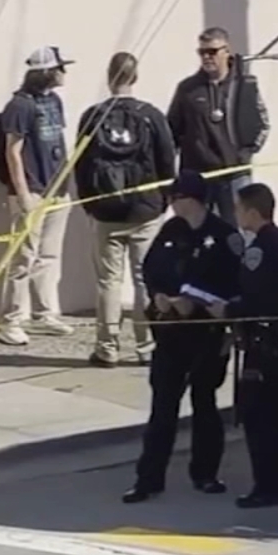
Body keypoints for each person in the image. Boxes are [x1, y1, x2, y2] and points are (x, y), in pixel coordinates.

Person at [122, 171, 243, 503]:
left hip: (206, 332)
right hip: (171, 332)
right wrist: (161, 294)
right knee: (163, 407)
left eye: (176, 198)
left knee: (204, 403)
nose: (172, 204)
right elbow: (152, 269)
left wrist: (199, 301)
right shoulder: (171, 231)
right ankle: (148, 479)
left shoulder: (224, 236)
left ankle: (205, 474)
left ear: (192, 199)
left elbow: (234, 284)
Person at [209, 182, 278, 509]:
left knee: (260, 418)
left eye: (239, 208)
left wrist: (228, 310)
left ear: (252, 211)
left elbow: (257, 296)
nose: (236, 214)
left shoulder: (259, 248)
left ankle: (268, 486)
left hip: (263, 343)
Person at [75, 52, 177, 367]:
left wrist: (89, 204)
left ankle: (107, 348)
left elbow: (79, 165)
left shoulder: (92, 116)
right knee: (144, 278)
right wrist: (164, 201)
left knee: (108, 281)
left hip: (105, 212)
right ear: (135, 77)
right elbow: (166, 161)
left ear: (109, 76)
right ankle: (146, 347)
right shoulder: (151, 116)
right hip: (145, 210)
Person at [0, 45, 77, 346]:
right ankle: (11, 320)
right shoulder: (19, 106)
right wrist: (23, 193)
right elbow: (12, 151)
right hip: (32, 191)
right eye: (60, 67)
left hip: (57, 189)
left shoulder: (53, 101)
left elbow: (58, 143)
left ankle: (44, 313)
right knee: (23, 258)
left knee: (48, 256)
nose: (64, 73)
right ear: (47, 72)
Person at [166, 27, 271, 220]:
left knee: (239, 233)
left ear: (226, 51)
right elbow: (172, 131)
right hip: (200, 177)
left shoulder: (243, 85)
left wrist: (245, 153)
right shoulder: (188, 89)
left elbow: (262, 124)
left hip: (235, 175)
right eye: (202, 52)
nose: (207, 57)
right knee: (202, 234)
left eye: (212, 52)